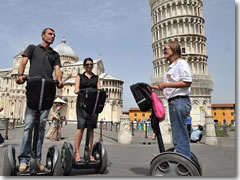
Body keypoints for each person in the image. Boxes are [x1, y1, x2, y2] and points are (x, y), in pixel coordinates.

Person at [16, 28, 64, 172]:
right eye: (50, 34)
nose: (52, 36)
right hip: (34, 88)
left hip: (48, 89)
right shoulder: (32, 48)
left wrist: (60, 80)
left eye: (54, 35)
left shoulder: (55, 54)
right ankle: (24, 159)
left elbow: (57, 69)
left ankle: (37, 159)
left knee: (42, 127)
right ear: (42, 36)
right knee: (28, 125)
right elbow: (23, 62)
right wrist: (20, 75)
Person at [149, 41, 192, 158]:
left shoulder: (181, 63)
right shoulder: (170, 67)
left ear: (173, 49)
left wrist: (166, 85)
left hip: (180, 101)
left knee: (180, 133)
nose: (163, 51)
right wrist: (149, 87)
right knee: (177, 132)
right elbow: (163, 86)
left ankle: (183, 160)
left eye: (165, 49)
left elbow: (187, 82)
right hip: (174, 102)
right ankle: (182, 155)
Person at [74, 57, 101, 162]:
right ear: (84, 66)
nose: (89, 66)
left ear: (93, 66)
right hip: (82, 104)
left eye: (91, 64)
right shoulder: (79, 76)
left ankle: (89, 153)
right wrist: (81, 90)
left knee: (91, 128)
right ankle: (76, 152)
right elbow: (76, 89)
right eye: (87, 64)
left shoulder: (96, 77)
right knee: (81, 128)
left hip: (93, 105)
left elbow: (99, 89)